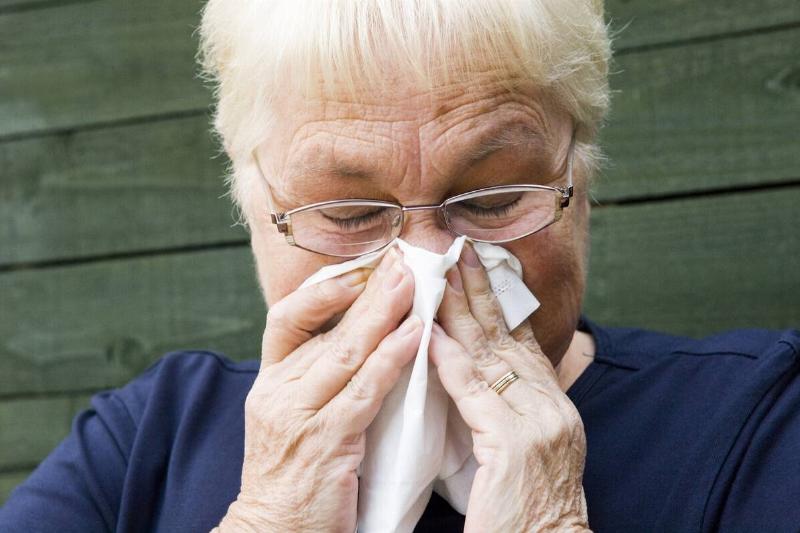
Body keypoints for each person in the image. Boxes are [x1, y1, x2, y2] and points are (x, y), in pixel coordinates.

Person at [1, 1, 798, 531]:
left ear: (578, 187)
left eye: (490, 200)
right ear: (256, 215)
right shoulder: (146, 443)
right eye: (350, 215)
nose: (426, 264)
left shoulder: (755, 425)